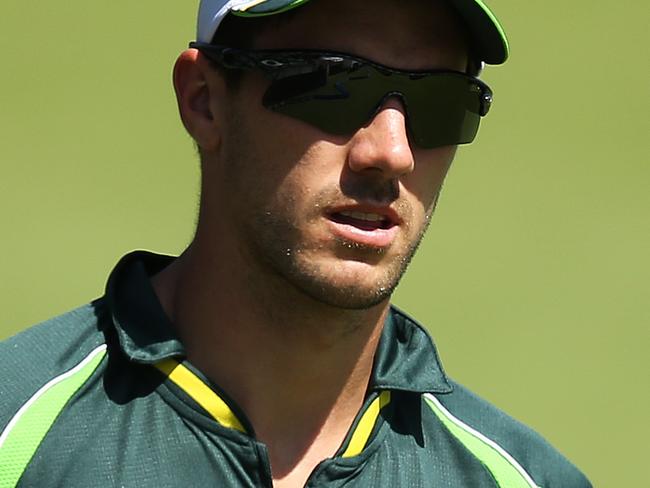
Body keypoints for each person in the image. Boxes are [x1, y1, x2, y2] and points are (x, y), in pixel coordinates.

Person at [0, 0, 592, 486]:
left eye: (441, 102)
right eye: (333, 83)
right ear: (204, 100)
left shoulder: (527, 479)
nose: (390, 152)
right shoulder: (17, 437)